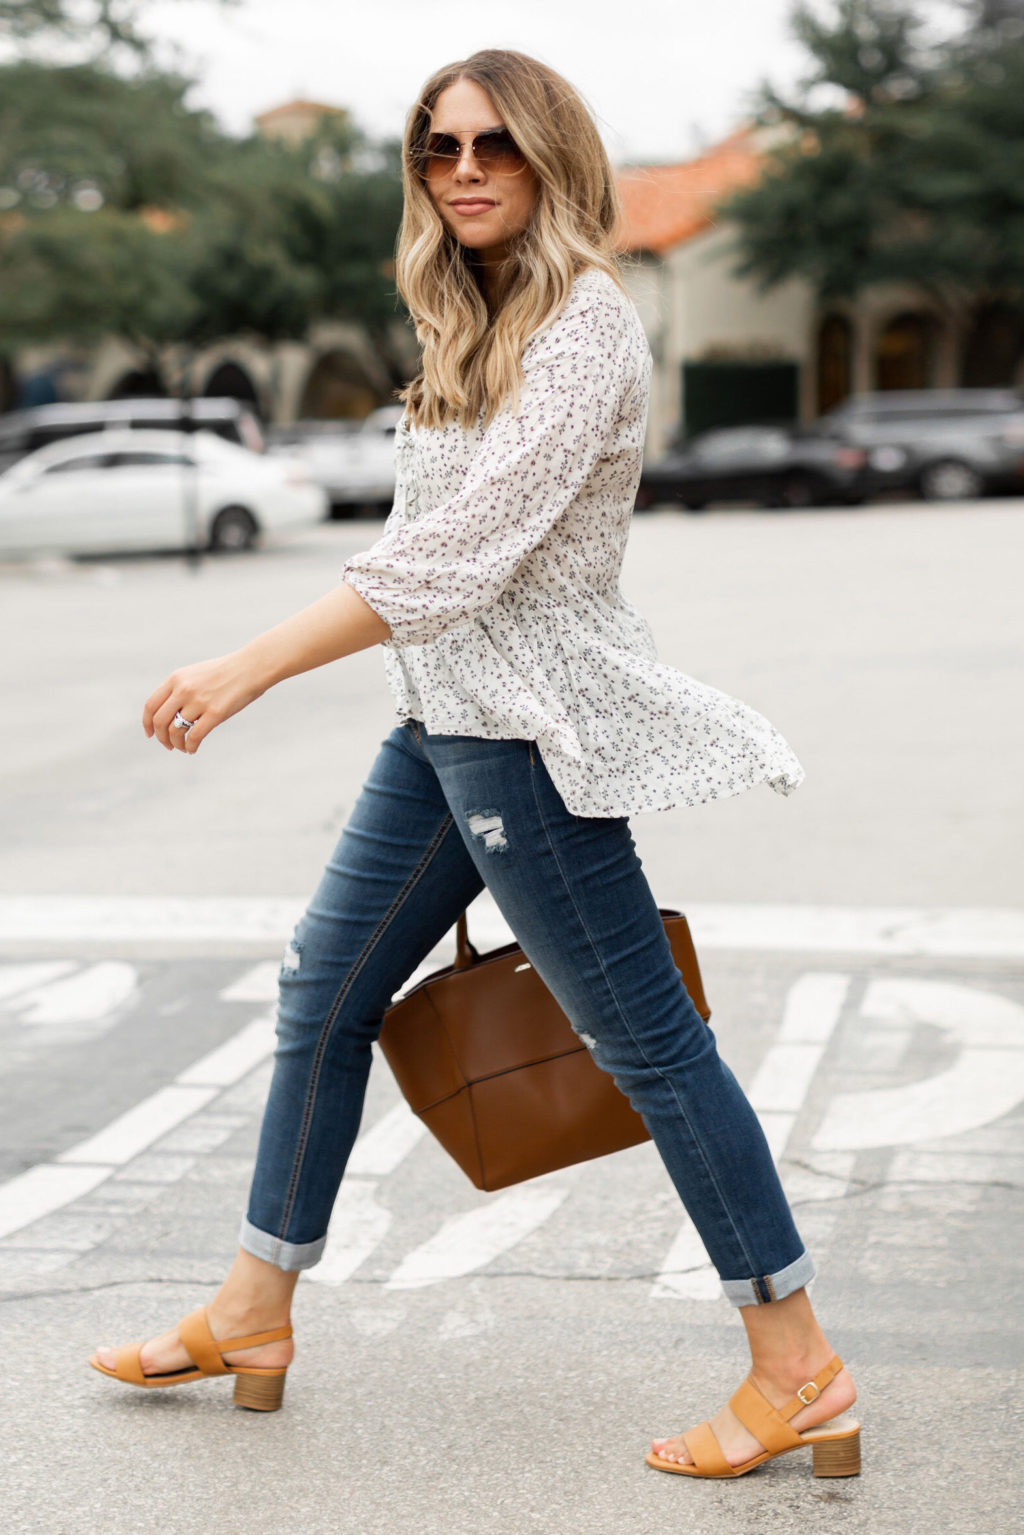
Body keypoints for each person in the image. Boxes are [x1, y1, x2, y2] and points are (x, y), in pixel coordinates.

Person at [90, 49, 860, 1480]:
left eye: (494, 146)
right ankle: (256, 1309)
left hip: (524, 744)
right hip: (437, 730)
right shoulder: (478, 320)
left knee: (648, 1048)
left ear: (553, 156)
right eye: (438, 148)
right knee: (321, 994)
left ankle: (798, 1365)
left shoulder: (585, 332)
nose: (464, 171)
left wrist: (246, 667)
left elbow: (454, 560)